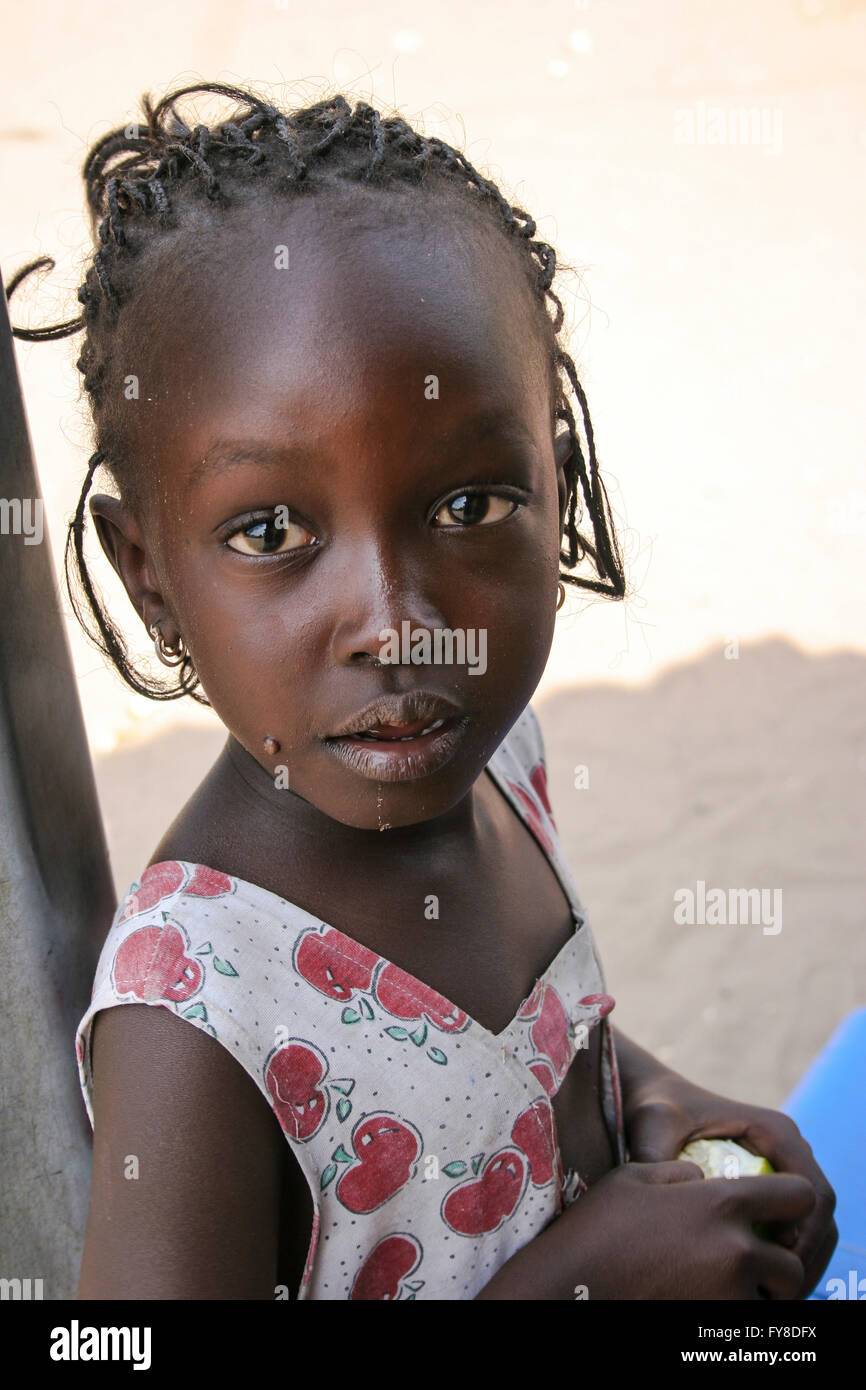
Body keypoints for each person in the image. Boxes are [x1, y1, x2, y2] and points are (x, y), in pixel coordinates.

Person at [8, 81, 836, 1300]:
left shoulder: (495, 756)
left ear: (556, 490)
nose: (402, 626)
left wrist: (659, 1101)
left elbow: (511, 1055)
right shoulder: (199, 1010)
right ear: (152, 577)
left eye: (469, 505)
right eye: (272, 529)